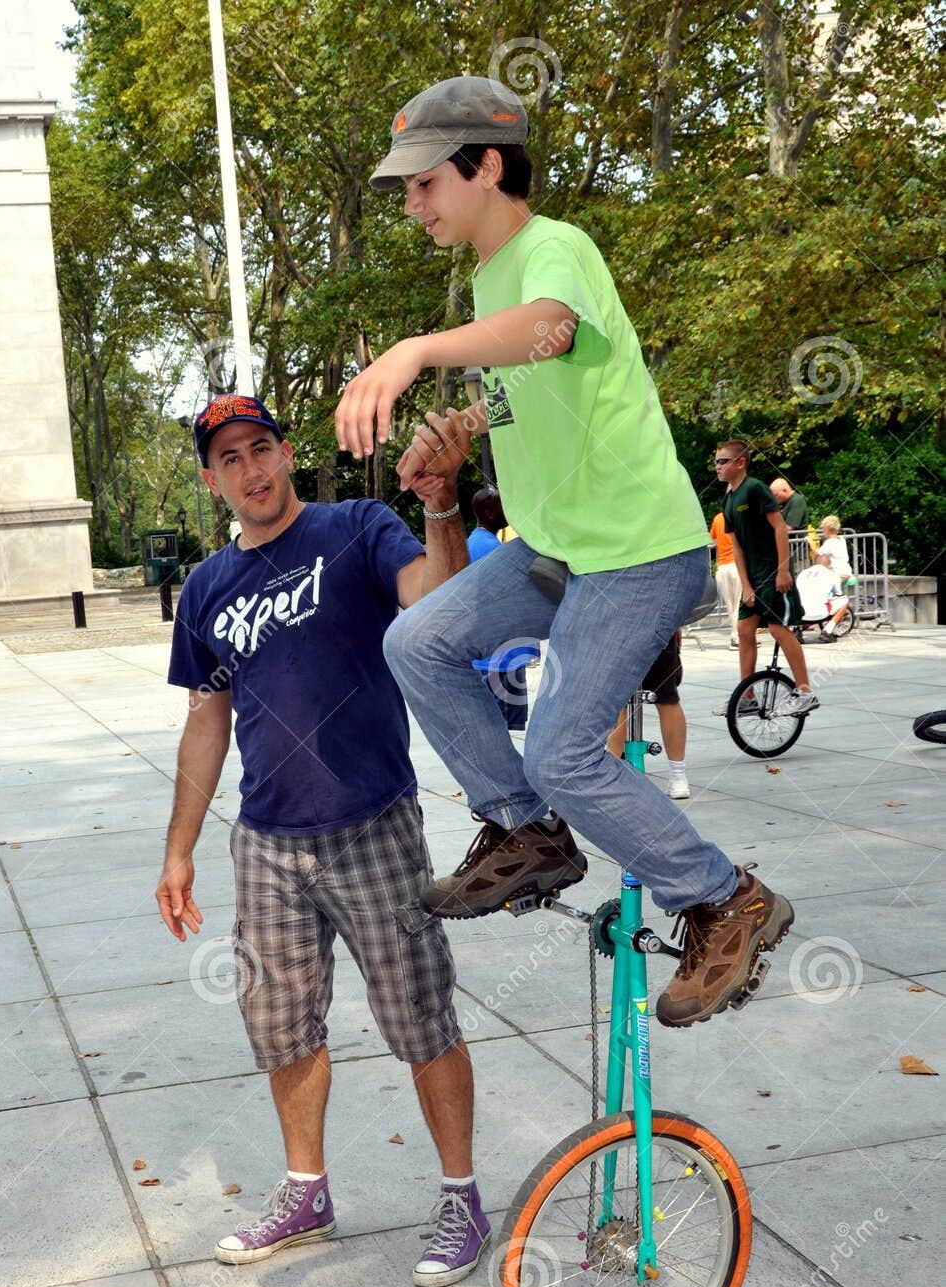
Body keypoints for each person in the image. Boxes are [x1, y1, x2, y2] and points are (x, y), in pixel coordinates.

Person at [333, 75, 795, 1030]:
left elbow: (549, 333)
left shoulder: (554, 250)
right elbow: (538, 391)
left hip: (635, 552)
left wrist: (416, 350)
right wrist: (454, 438)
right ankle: (525, 831)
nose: (411, 203)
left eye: (423, 182)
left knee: (563, 748)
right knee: (414, 641)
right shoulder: (485, 281)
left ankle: (722, 897)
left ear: (485, 165)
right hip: (555, 552)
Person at [155, 394, 490, 1287]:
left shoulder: (355, 529)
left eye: (261, 449)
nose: (251, 470)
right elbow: (205, 719)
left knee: (419, 1016)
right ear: (210, 477)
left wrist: (442, 503)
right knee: (278, 1026)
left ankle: (460, 1195)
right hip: (265, 843)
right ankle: (307, 1190)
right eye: (229, 459)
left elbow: (438, 600)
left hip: (373, 822)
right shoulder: (206, 588)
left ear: (285, 452)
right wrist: (179, 847)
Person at [712, 441, 819, 716]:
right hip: (753, 575)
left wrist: (783, 570)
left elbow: (780, 527)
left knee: (778, 628)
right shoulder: (728, 499)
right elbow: (736, 546)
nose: (718, 466)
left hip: (773, 571)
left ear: (741, 462)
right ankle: (747, 697)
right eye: (716, 461)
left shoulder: (756, 489)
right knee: (745, 630)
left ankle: (805, 691)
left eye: (723, 461)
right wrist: (746, 584)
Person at [467, 487, 529, 729]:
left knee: (496, 728)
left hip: (497, 656)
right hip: (501, 659)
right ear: (491, 513)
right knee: (501, 728)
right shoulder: (490, 549)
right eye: (503, 505)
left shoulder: (479, 543)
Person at [608, 632, 690, 799]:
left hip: (619, 629)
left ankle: (607, 779)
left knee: (618, 701)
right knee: (667, 699)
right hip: (658, 626)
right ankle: (678, 776)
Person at [804, 514, 853, 638]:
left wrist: (810, 542)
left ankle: (815, 621)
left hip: (837, 573)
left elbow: (818, 555)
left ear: (827, 529)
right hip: (845, 571)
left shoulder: (830, 543)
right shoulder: (840, 539)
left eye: (823, 529)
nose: (822, 532)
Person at [709, 508, 741, 647]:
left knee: (730, 605)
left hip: (722, 566)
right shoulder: (740, 516)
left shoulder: (718, 518)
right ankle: (737, 637)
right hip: (737, 564)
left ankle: (736, 636)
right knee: (739, 604)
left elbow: (713, 538)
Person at [467, 487, 504, 561]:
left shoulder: (474, 540)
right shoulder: (491, 546)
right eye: (502, 506)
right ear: (490, 514)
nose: (506, 511)